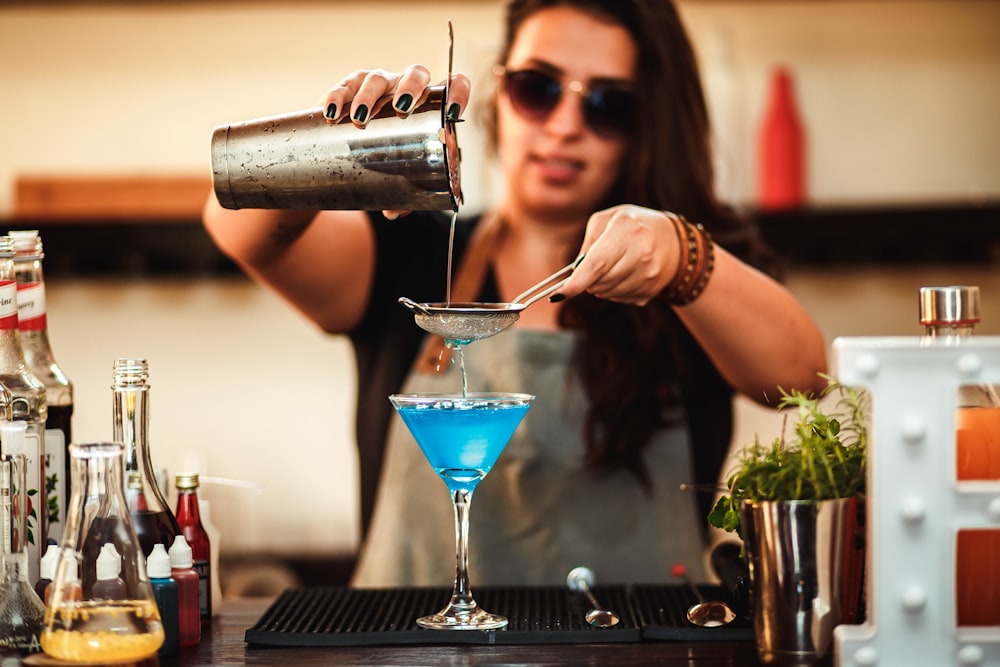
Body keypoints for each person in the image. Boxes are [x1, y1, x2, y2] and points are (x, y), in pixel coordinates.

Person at [203, 0, 827, 586]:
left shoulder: (686, 278)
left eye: (608, 104)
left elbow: (804, 376)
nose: (564, 126)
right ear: (500, 97)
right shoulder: (409, 250)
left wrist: (682, 257)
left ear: (648, 126)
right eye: (539, 88)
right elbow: (235, 228)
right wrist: (338, 144)